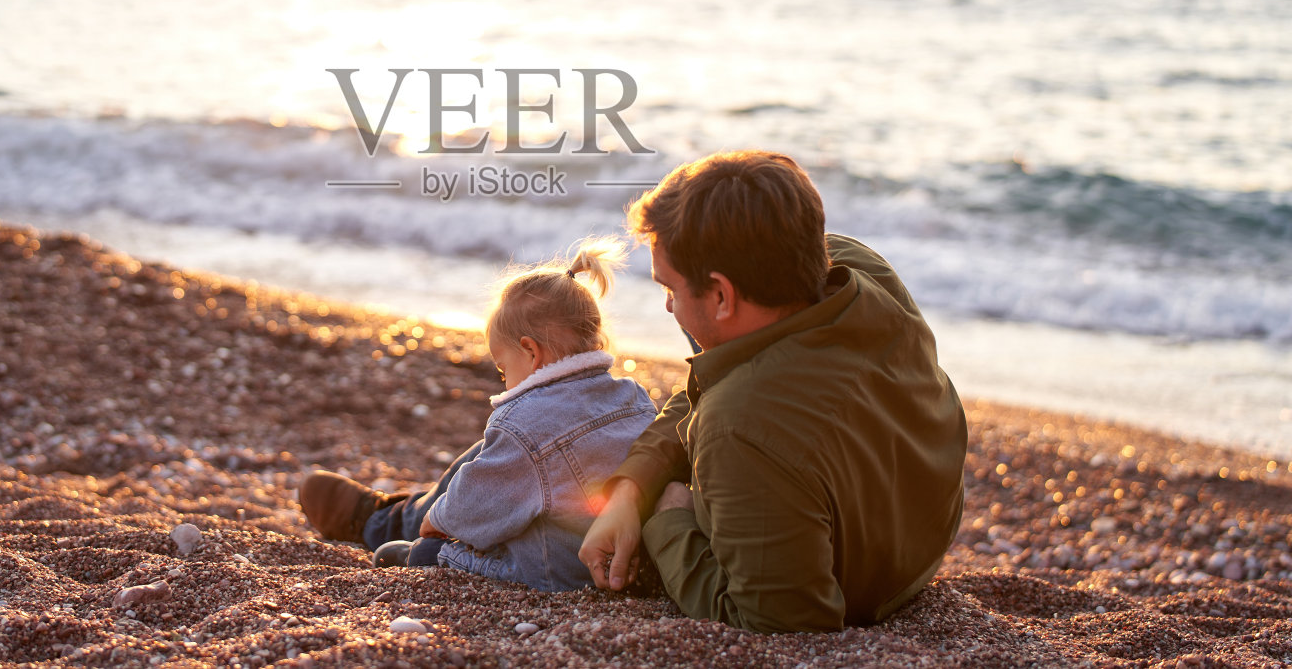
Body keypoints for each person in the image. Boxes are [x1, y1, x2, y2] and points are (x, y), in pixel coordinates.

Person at [579, 150, 968, 633]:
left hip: (861, 582)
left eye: (671, 288)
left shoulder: (737, 427)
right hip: (923, 528)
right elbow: (716, 383)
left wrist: (666, 517)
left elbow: (784, 624)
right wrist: (630, 490)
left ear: (721, 295)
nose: (666, 304)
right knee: (716, 356)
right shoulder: (857, 266)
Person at [298, 240, 658, 592]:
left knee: (426, 550)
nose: (504, 380)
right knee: (486, 453)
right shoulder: (633, 397)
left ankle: (389, 521)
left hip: (556, 570)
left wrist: (437, 522)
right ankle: (393, 516)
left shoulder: (524, 425)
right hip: (619, 554)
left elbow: (475, 505)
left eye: (503, 369)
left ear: (531, 352)